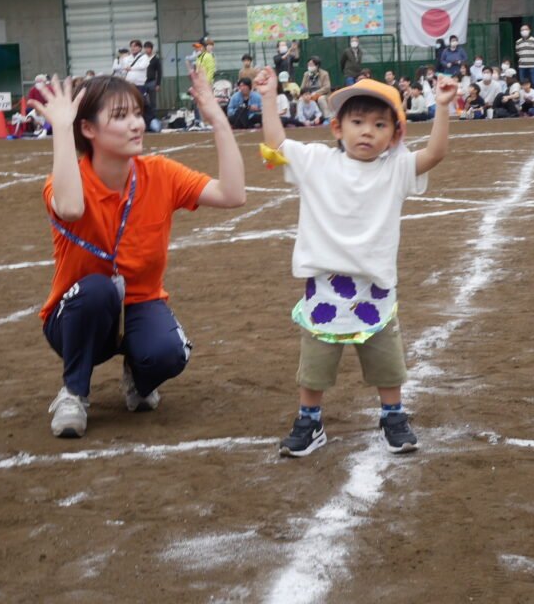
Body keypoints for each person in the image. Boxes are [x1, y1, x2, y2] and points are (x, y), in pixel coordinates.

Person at [30, 69, 244, 439]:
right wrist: (62, 129)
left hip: (140, 304)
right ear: (88, 129)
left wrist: (218, 121)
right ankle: (74, 393)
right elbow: (69, 208)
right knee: (96, 289)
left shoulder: (159, 173)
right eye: (119, 116)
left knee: (169, 353)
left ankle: (138, 376)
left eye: (136, 113)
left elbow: (232, 194)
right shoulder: (68, 179)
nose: (135, 124)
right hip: (76, 318)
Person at [258, 72, 455, 456]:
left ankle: (393, 415)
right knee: (315, 364)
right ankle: (310, 420)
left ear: (395, 135)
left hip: (375, 288)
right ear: (337, 127)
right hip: (324, 286)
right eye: (358, 122)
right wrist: (269, 98)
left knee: (387, 362)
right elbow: (277, 143)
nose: (368, 132)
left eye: (380, 125)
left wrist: (443, 108)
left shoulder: (395, 169)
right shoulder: (315, 161)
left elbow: (435, 154)